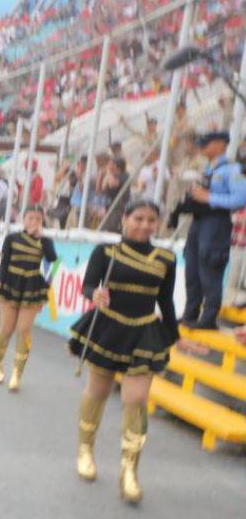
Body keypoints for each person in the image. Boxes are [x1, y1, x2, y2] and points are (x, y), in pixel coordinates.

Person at [67, 198, 191, 503]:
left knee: (136, 399)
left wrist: (175, 336)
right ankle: (85, 450)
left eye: (152, 219)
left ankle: (129, 470)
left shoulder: (166, 258)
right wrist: (94, 294)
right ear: (125, 218)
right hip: (109, 328)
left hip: (144, 330)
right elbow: (87, 286)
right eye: (139, 218)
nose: (145, 225)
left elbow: (166, 302)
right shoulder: (106, 252)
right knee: (97, 391)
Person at [176, 131, 246, 329]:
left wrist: (208, 198)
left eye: (207, 143)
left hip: (216, 223)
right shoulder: (209, 169)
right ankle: (190, 312)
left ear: (221, 144)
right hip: (199, 223)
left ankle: (208, 318)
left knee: (209, 270)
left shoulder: (232, 169)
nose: (202, 146)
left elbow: (241, 198)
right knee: (192, 269)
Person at [0, 204, 57, 392]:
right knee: (6, 328)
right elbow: (5, 262)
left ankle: (17, 374)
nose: (34, 222)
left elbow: (52, 258)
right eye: (30, 218)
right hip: (11, 282)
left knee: (24, 330)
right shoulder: (12, 238)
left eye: (38, 219)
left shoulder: (45, 241)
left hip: (31, 286)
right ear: (23, 219)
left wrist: (42, 238)